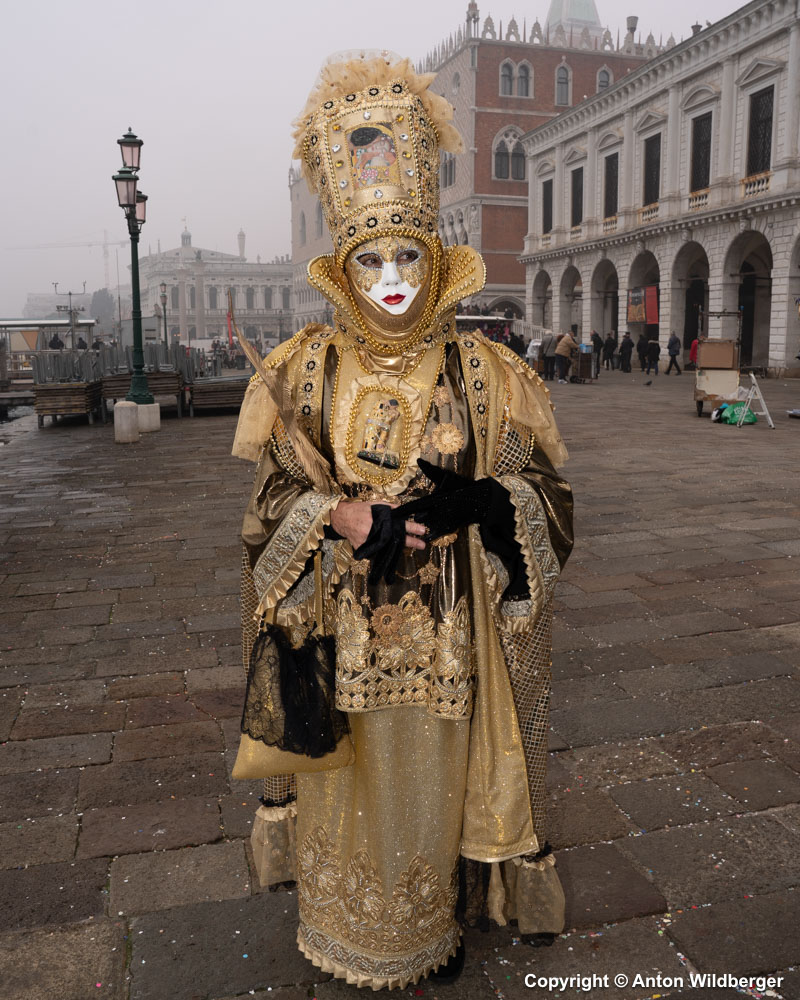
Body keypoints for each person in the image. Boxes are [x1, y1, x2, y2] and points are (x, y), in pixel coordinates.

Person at [232, 54, 573, 991]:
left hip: (448, 637)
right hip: (341, 633)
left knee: (430, 784)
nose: (390, 279)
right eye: (369, 260)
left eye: (407, 257)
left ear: (437, 257)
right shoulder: (305, 372)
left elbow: (547, 500)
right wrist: (335, 515)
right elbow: (265, 511)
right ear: (342, 269)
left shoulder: (487, 375)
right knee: (349, 783)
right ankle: (349, 930)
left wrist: (485, 507)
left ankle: (436, 928)